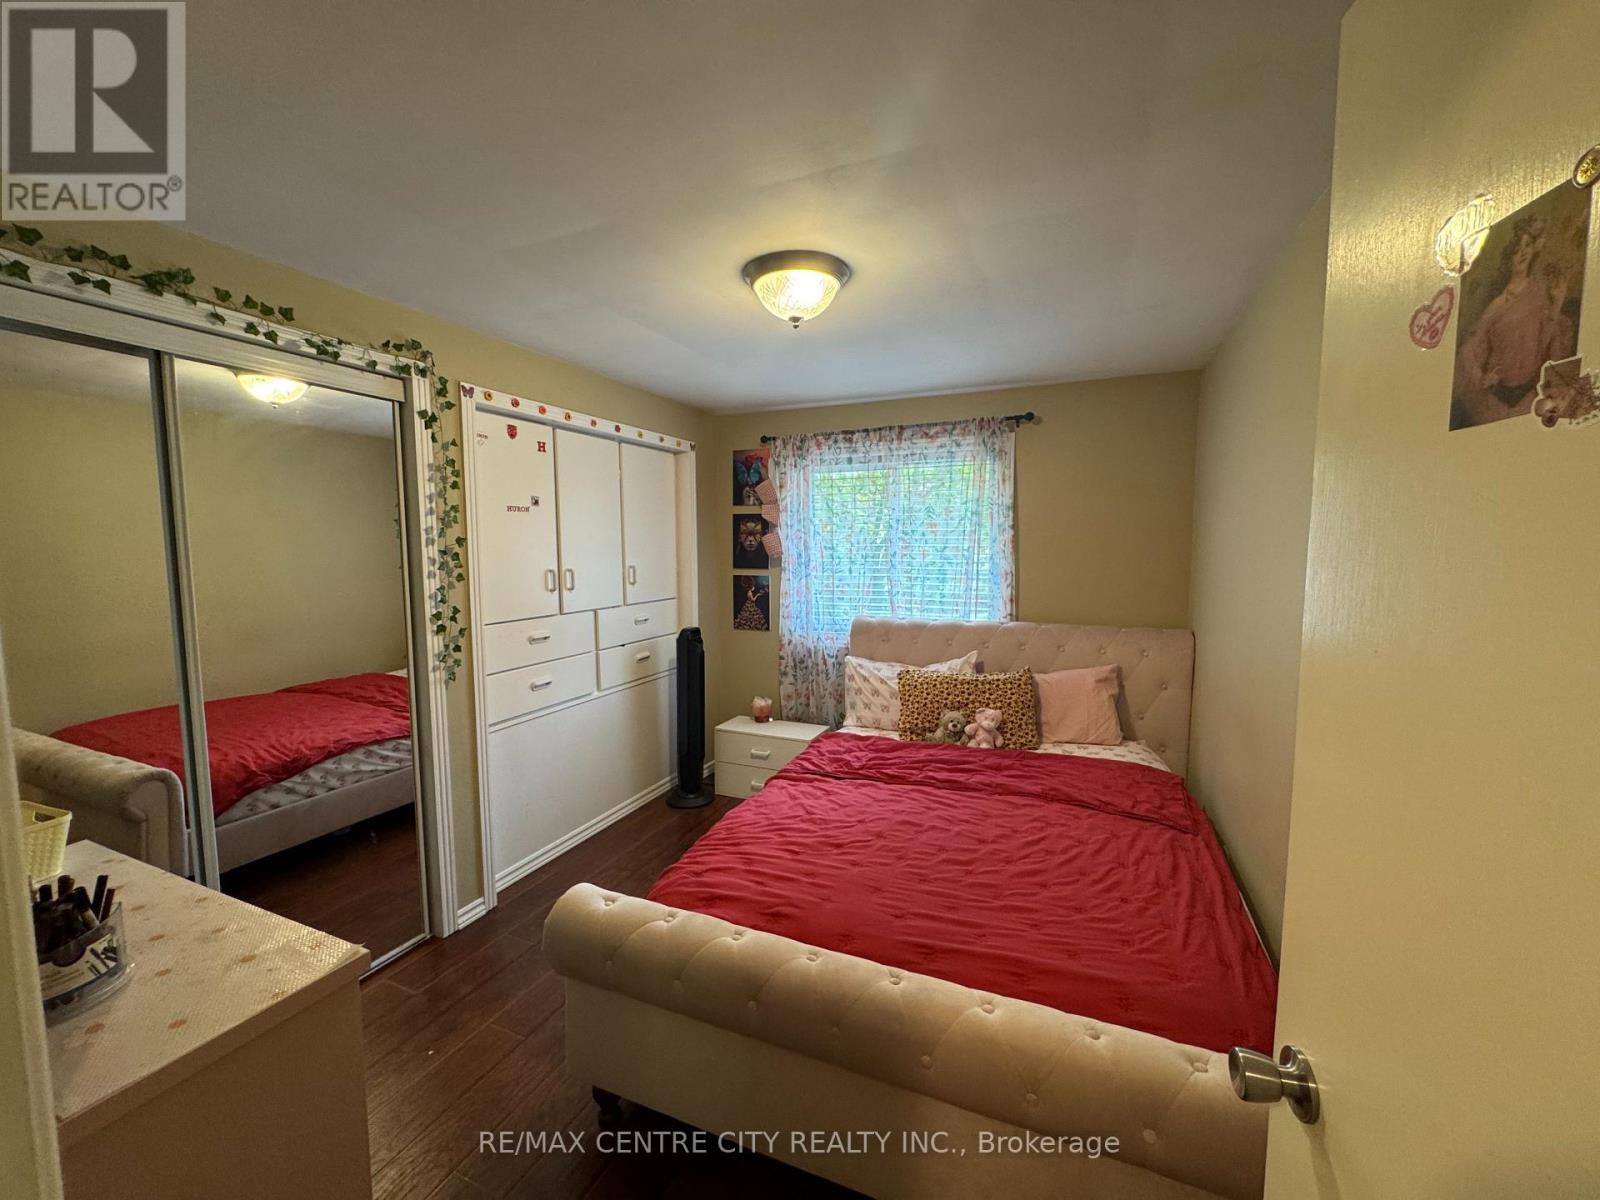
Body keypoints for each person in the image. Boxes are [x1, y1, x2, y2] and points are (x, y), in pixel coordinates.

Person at [1452, 214, 1578, 427]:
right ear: (1508, 258)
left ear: (1533, 249)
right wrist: (1482, 377)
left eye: (1527, 246)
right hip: (1500, 399)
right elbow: (1469, 349)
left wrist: (1557, 303)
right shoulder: (1499, 304)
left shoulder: (1538, 291)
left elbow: (1542, 344)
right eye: (1516, 250)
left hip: (1530, 393)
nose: (1522, 253)